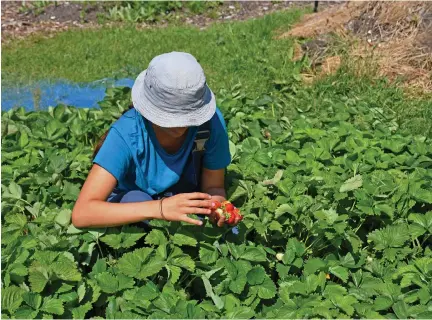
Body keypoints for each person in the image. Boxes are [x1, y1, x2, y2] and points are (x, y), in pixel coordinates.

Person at [72, 52, 240, 229]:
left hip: (183, 207)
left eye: (188, 117)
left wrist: (216, 207)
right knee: (135, 198)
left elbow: (213, 187)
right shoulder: (126, 133)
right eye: (172, 117)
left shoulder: (210, 125)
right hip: (134, 208)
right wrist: (160, 208)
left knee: (233, 232)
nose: (182, 125)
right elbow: (82, 214)